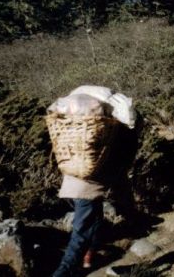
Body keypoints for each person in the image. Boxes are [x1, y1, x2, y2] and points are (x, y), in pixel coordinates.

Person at [50, 86, 138, 277]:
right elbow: (123, 160)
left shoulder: (78, 132)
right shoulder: (110, 135)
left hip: (72, 180)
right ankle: (63, 272)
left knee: (93, 219)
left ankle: (88, 259)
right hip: (88, 185)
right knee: (81, 232)